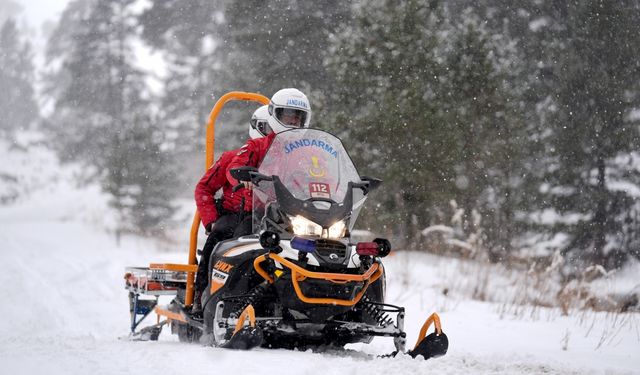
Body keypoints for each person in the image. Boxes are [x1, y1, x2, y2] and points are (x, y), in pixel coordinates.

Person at [192, 105, 271, 315]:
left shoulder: (286, 163)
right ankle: (203, 293)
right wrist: (211, 221)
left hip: (275, 219)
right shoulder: (232, 158)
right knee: (220, 237)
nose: (271, 134)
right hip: (236, 214)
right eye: (267, 128)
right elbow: (204, 188)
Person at [225, 88, 312, 237]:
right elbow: (234, 167)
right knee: (241, 240)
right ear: (275, 114)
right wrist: (243, 177)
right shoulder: (257, 145)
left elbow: (323, 173)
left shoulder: (308, 151)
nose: (293, 121)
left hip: (298, 212)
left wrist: (345, 187)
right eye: (287, 116)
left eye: (298, 117)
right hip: (260, 212)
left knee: (328, 240)